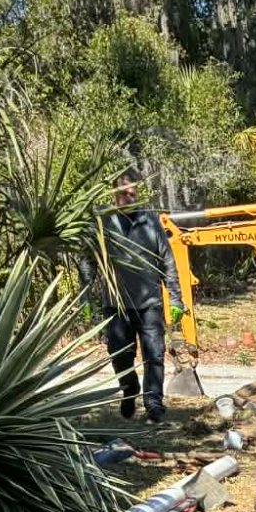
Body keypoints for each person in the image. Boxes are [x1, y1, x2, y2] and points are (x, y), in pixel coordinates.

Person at [86, 168, 183, 422]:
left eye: (132, 193)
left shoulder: (151, 221)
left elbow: (168, 261)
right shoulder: (103, 223)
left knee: (154, 355)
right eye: (123, 193)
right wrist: (85, 296)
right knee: (120, 356)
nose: (129, 198)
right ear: (114, 194)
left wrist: (175, 299)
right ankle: (129, 389)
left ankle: (153, 405)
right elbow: (88, 261)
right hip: (115, 306)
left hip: (149, 304)